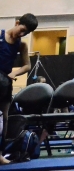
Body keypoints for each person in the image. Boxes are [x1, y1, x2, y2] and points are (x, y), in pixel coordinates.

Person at [0, 14, 37, 165]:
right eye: (21, 30)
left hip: (4, 84)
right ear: (17, 23)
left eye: (25, 33)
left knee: (4, 119)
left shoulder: (21, 45)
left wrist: (14, 73)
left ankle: (0, 154)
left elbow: (27, 65)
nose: (22, 34)